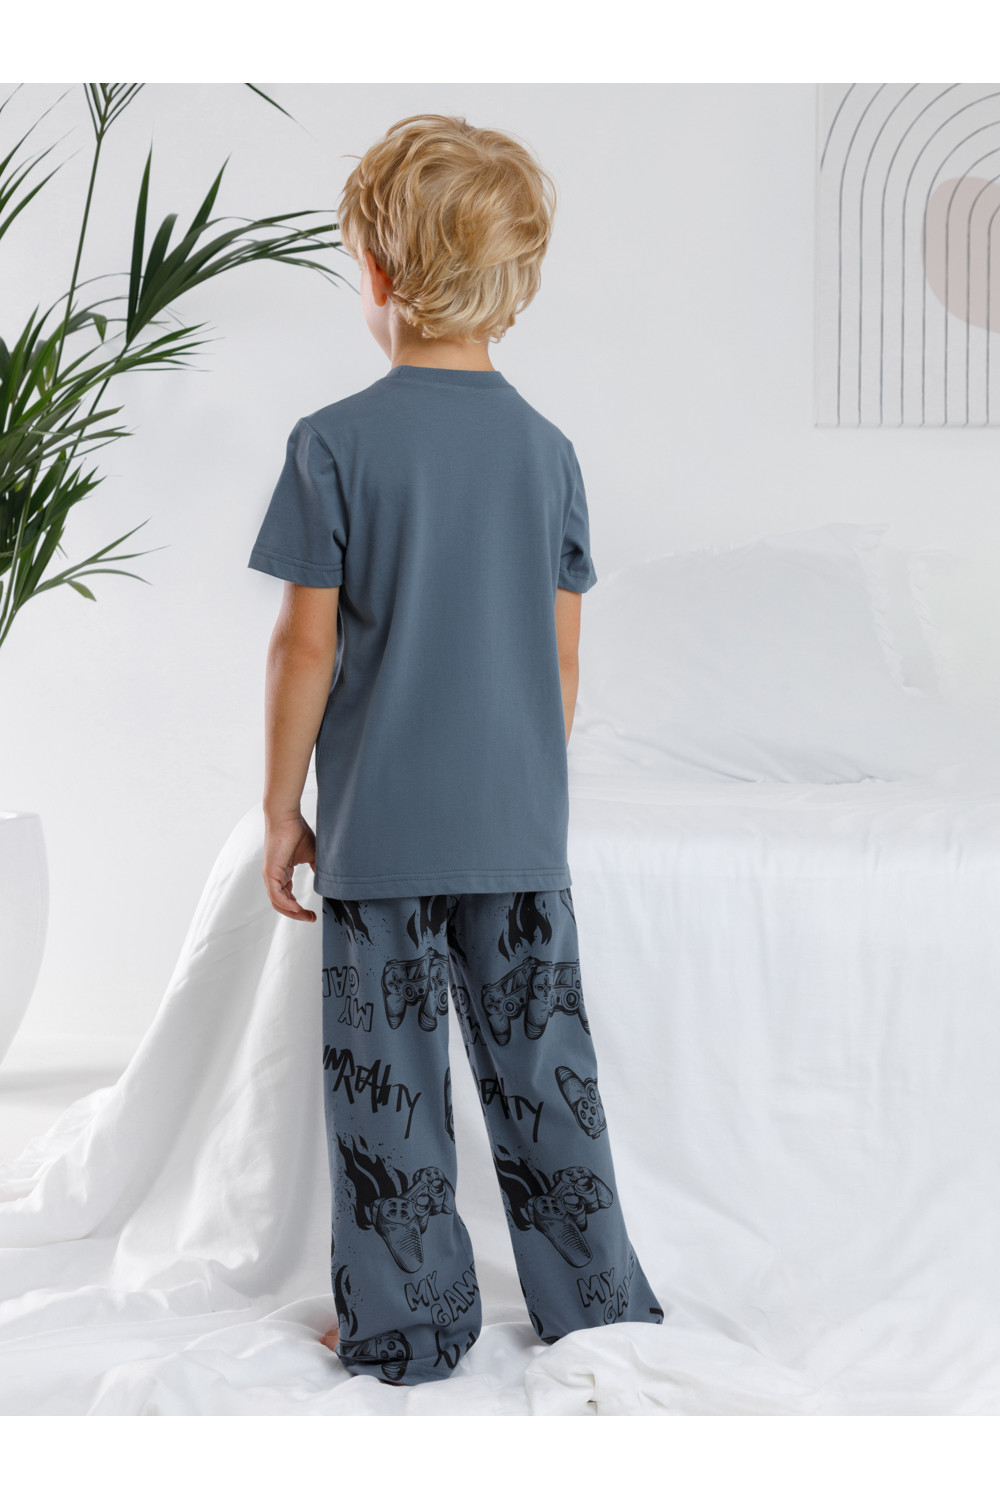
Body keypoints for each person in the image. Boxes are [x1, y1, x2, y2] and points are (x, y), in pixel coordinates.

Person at [247, 113, 663, 1387]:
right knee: (546, 1074)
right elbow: (562, 663)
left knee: (387, 1087)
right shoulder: (550, 455)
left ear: (376, 273)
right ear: (514, 287)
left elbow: (303, 651)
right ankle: (596, 1304)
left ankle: (410, 1324)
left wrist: (280, 808)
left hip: (381, 834)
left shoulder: (332, 445)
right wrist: (523, 789)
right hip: (516, 831)